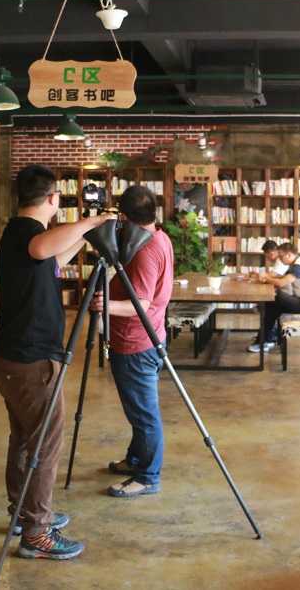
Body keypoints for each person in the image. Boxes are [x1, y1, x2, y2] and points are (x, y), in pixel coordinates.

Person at [0, 164, 114, 561]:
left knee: (24, 441)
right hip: (32, 361)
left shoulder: (17, 232)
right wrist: (90, 220)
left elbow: (53, 257)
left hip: (13, 358)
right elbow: (43, 249)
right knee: (44, 444)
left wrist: (85, 234)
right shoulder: (29, 235)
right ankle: (37, 532)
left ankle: (23, 512)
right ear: (53, 198)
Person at [90, 185, 174, 498]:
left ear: (123, 217)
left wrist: (104, 305)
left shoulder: (145, 251)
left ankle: (148, 478)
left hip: (135, 342)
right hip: (149, 336)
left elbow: (141, 303)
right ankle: (135, 461)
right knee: (139, 411)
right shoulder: (159, 237)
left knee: (144, 415)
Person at [249, 242, 300, 353]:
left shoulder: (298, 267)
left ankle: (263, 341)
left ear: (289, 255)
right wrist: (266, 277)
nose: (280, 259)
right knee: (271, 306)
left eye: (281, 256)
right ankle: (266, 340)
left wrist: (265, 278)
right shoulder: (296, 263)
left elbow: (282, 283)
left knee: (277, 297)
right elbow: (283, 278)